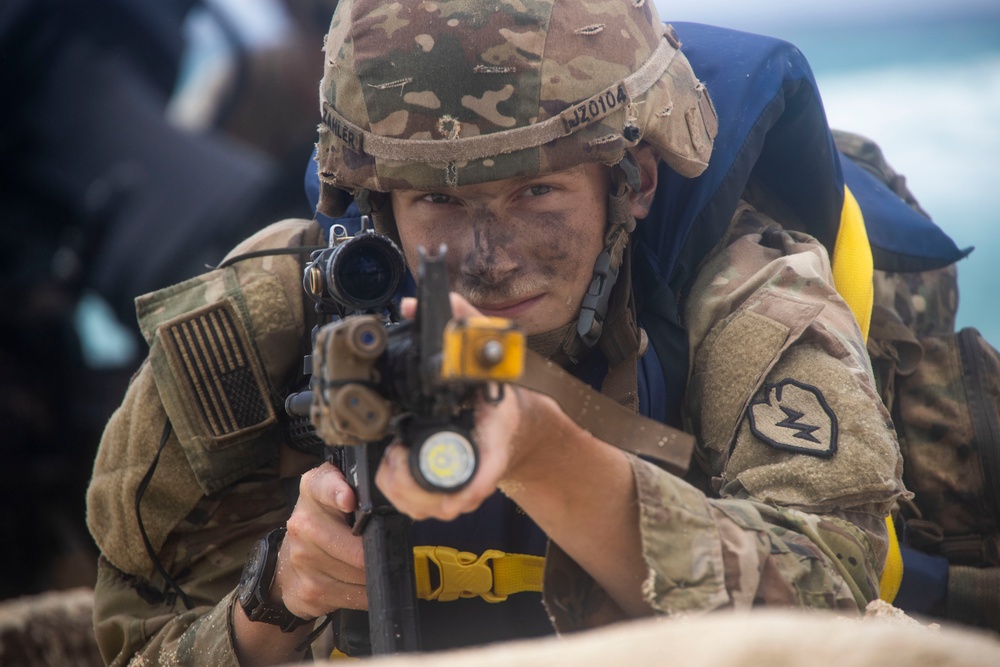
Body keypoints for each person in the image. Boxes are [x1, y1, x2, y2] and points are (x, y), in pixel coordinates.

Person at [85, 1, 969, 664]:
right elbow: (131, 640)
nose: (489, 257)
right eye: (438, 201)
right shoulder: (261, 321)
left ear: (635, 183)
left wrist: (547, 456)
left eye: (536, 194)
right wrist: (274, 599)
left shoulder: (751, 297)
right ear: (377, 202)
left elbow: (836, 614)